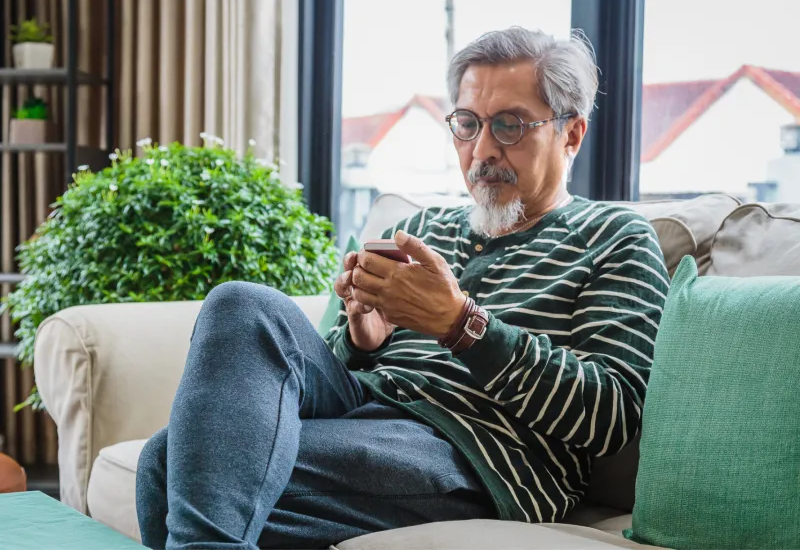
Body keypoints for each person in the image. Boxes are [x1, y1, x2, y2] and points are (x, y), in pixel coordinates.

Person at [136, 27, 669, 550]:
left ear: (571, 133)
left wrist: (462, 325)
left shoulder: (615, 238)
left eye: (509, 125)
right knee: (241, 303)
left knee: (170, 464)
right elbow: (317, 376)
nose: (482, 148)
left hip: (476, 450)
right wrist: (362, 340)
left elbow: (613, 414)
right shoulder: (427, 229)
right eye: (467, 123)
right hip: (364, 410)